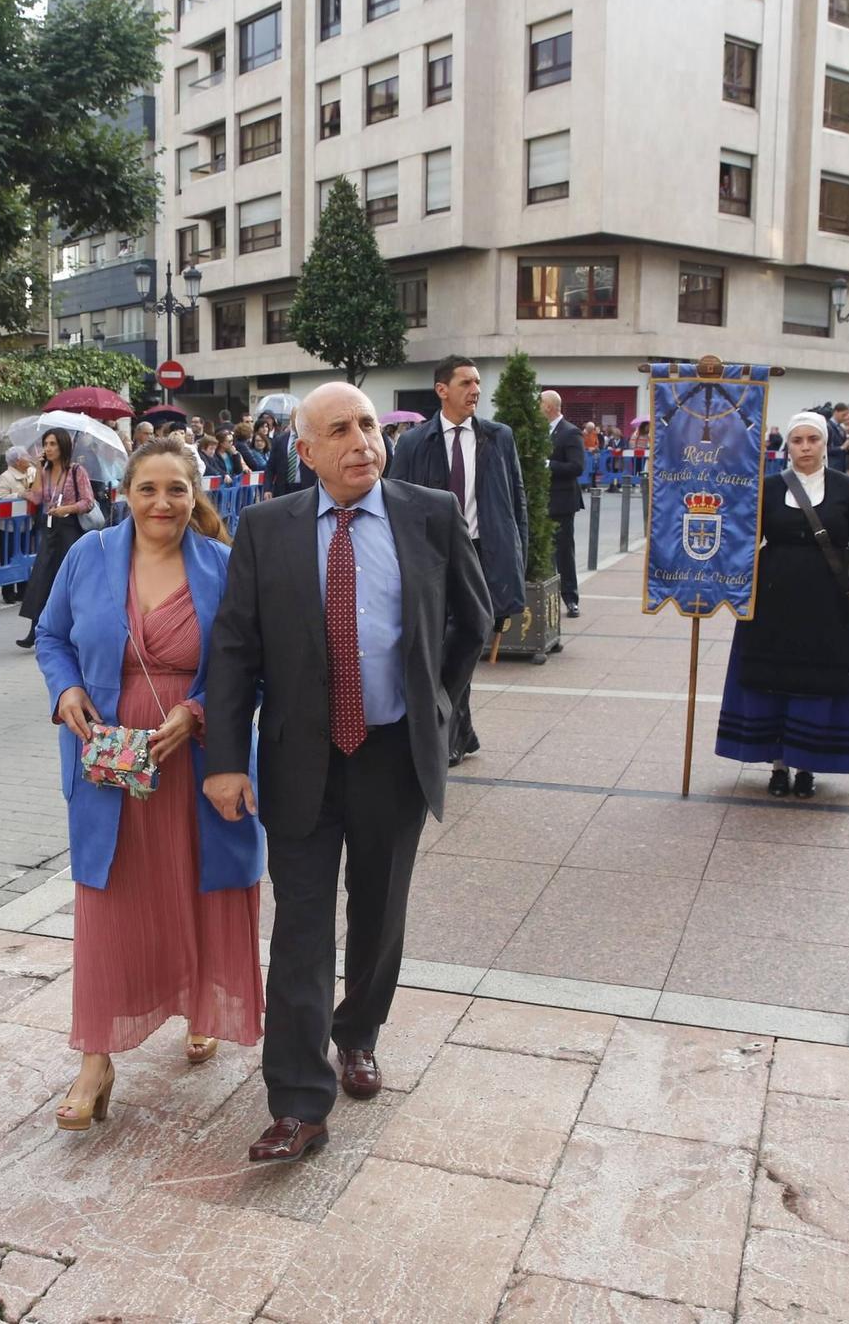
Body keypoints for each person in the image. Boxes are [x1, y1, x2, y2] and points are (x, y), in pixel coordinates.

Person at [205, 382, 490, 1163]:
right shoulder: (266, 529)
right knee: (300, 929)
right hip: (302, 758)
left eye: (368, 424)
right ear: (307, 452)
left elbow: (476, 616)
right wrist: (226, 760)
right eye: (340, 429)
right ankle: (298, 1104)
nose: (362, 439)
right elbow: (234, 650)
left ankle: (357, 1031)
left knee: (378, 912)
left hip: (394, 753)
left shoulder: (428, 513)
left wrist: (437, 701)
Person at [33, 438, 263, 1128]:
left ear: (196, 496)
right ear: (124, 494)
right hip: (108, 758)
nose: (162, 502)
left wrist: (197, 711)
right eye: (148, 489)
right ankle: (95, 1059)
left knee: (199, 883)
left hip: (195, 755)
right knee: (111, 901)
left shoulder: (223, 566)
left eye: (176, 489)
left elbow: (252, 660)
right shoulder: (88, 556)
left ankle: (204, 1003)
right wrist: (65, 688)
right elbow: (51, 635)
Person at [716, 413, 849, 798]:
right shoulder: (769, 489)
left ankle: (806, 765)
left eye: (813, 440)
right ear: (786, 446)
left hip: (828, 605)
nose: (805, 447)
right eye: (797, 440)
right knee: (774, 679)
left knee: (816, 682)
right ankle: (778, 765)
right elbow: (743, 537)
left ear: (826, 443)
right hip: (773, 602)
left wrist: (835, 575)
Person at [387, 355, 527, 766]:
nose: (476, 390)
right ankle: (455, 732)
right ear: (442, 390)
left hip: (483, 553)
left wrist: (517, 556)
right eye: (466, 382)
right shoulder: (414, 442)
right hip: (432, 556)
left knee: (469, 639)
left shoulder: (499, 437)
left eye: (478, 382)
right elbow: (396, 501)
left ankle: (454, 731)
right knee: (440, 643)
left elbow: (516, 500)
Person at [14, 429, 97, 649]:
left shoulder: (76, 470)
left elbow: (88, 501)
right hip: (50, 529)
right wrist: (24, 488)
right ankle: (35, 629)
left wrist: (66, 509)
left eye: (52, 444)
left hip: (70, 528)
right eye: (45, 444)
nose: (48, 449)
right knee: (41, 578)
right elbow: (39, 496)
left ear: (62, 446)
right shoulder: (45, 470)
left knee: (68, 581)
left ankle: (72, 630)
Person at [541, 389, 585, 618]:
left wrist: (549, 464)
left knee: (564, 552)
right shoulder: (541, 432)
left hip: (562, 501)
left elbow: (577, 467)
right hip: (542, 500)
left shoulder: (570, 432)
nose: (538, 408)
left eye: (540, 403)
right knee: (544, 554)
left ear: (549, 406)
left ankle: (571, 598)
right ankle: (547, 597)